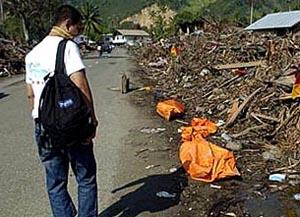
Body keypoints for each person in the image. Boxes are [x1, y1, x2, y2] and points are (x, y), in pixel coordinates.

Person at [25, 5, 98, 217]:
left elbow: (31, 95)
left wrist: (45, 119)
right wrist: (91, 120)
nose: (79, 32)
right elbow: (81, 86)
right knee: (85, 179)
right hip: (72, 124)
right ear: (67, 23)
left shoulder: (32, 54)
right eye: (78, 27)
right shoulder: (67, 47)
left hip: (43, 125)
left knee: (55, 183)